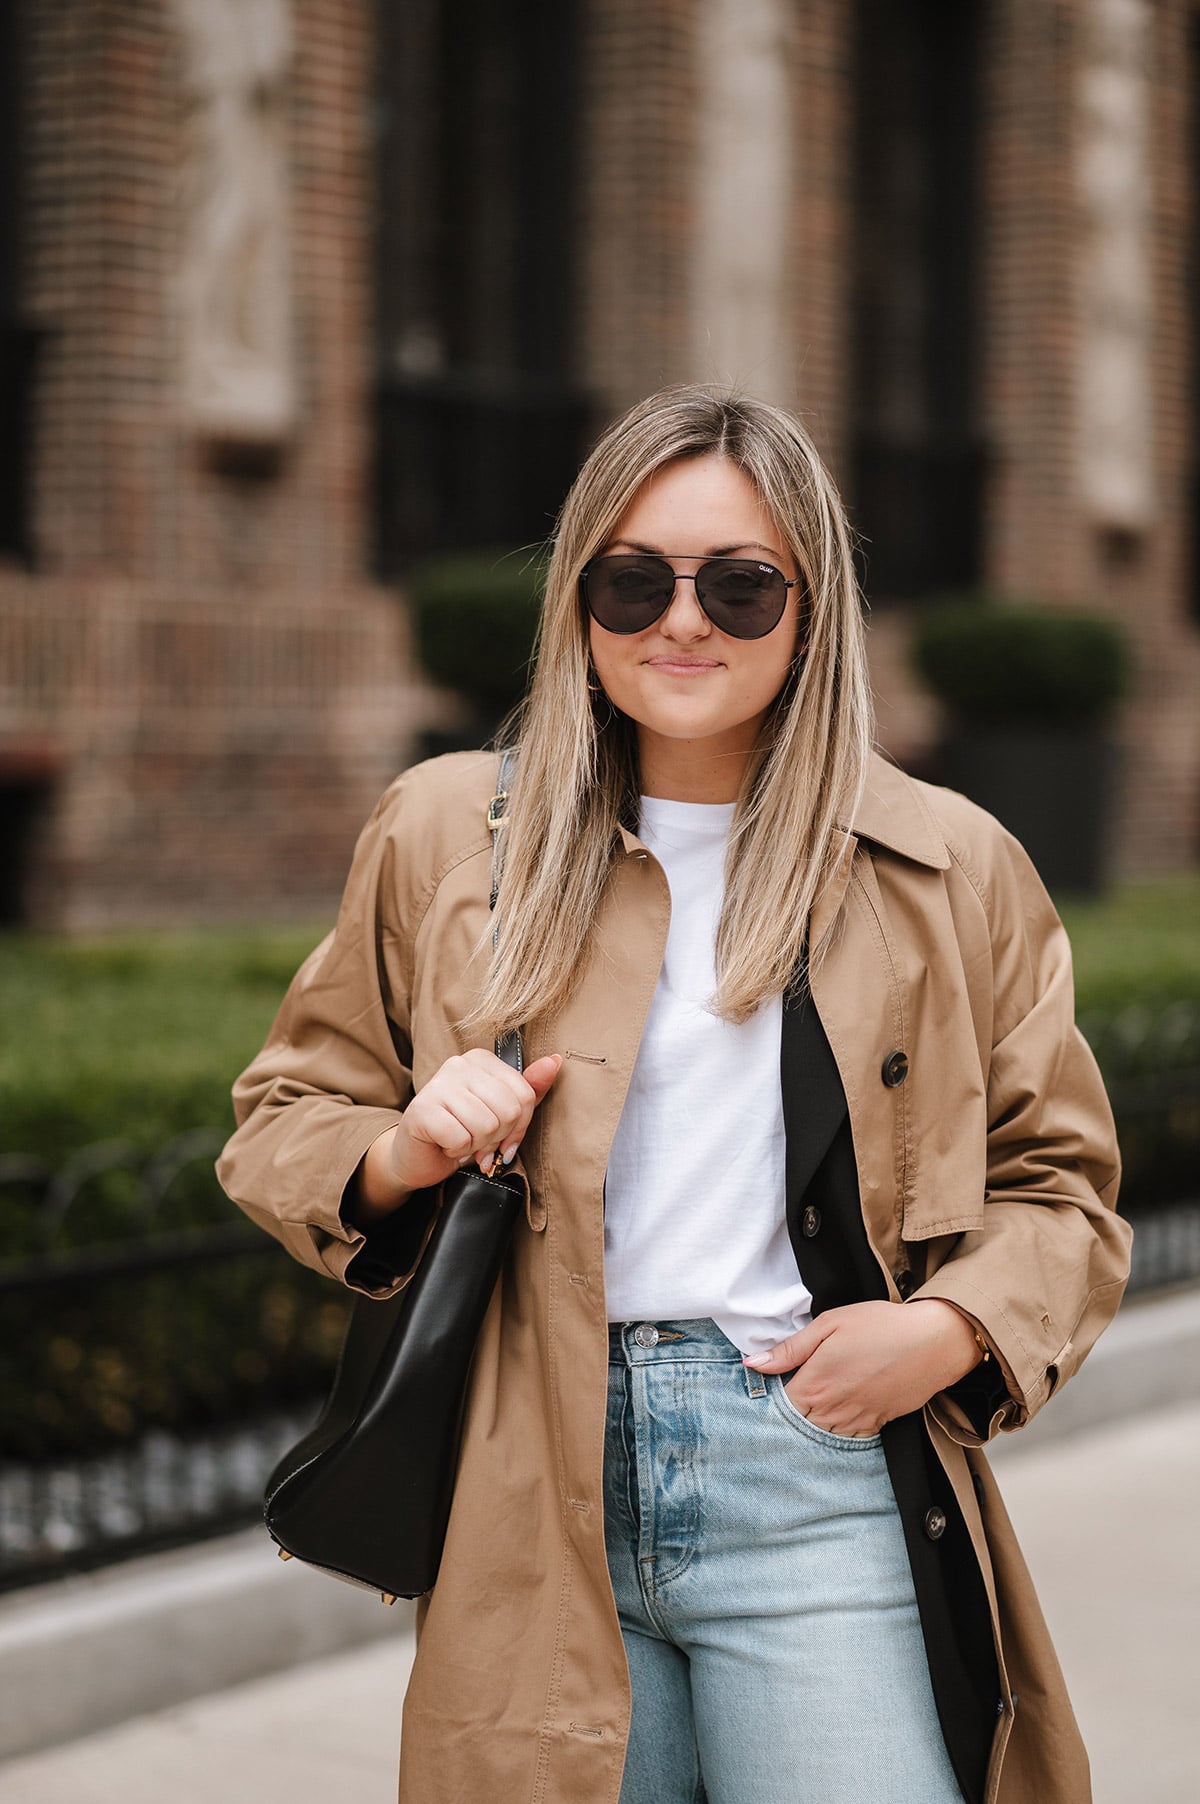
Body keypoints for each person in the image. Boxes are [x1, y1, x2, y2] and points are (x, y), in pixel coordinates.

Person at [218, 387, 1129, 1804]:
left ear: (812, 607)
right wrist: (402, 1146)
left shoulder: (950, 865)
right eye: (633, 580)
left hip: (815, 1477)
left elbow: (1062, 1185)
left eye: (741, 584)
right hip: (529, 1493)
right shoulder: (449, 833)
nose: (682, 621)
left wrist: (948, 1331)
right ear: (579, 601)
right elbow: (286, 1115)